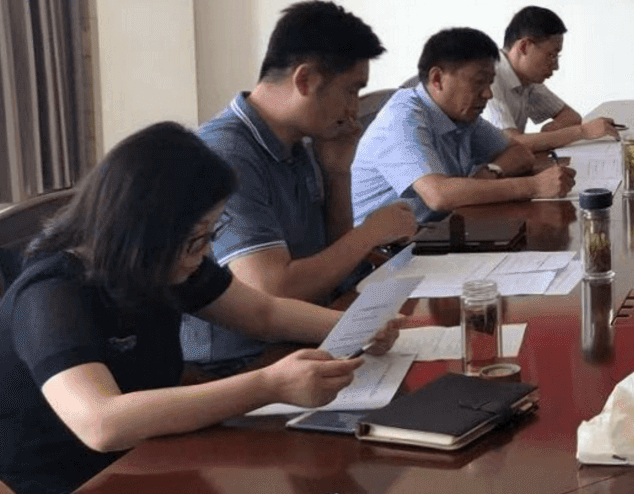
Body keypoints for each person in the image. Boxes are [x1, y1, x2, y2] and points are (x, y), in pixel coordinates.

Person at [0, 123, 399, 494]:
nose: (206, 252)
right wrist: (269, 385)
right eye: (197, 238)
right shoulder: (50, 294)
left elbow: (262, 314)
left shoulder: (160, 262)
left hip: (150, 453)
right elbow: (102, 423)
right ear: (148, 229)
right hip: (74, 481)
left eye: (210, 234)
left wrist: (359, 323)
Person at [180, 0, 418, 376]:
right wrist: (372, 233)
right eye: (351, 90)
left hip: (303, 334)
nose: (354, 109)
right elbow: (271, 291)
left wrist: (338, 172)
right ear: (304, 80)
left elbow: (333, 260)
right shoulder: (225, 154)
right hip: (241, 362)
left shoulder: (298, 139)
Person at [350, 27, 574, 224]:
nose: (488, 94)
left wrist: (490, 173)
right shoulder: (402, 118)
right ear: (437, 79)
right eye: (478, 83)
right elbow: (438, 195)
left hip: (438, 230)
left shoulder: (461, 115)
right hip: (385, 252)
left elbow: (519, 153)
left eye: (490, 83)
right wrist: (534, 186)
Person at [483, 6, 617, 150]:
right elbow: (510, 144)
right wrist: (583, 132)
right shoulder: (487, 78)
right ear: (524, 47)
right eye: (551, 55)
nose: (556, 66)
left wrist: (546, 137)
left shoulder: (527, 80)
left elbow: (571, 117)